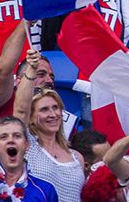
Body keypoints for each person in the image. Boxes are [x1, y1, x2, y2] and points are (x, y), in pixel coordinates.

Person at [12, 51, 84, 202]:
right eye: (44, 109)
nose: (53, 114)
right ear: (30, 118)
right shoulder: (27, 146)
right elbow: (20, 109)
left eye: (55, 108)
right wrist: (32, 69)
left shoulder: (77, 157)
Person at [0, 117, 58, 202]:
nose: (11, 140)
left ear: (26, 145)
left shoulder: (46, 190)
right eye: (3, 137)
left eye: (17, 136)